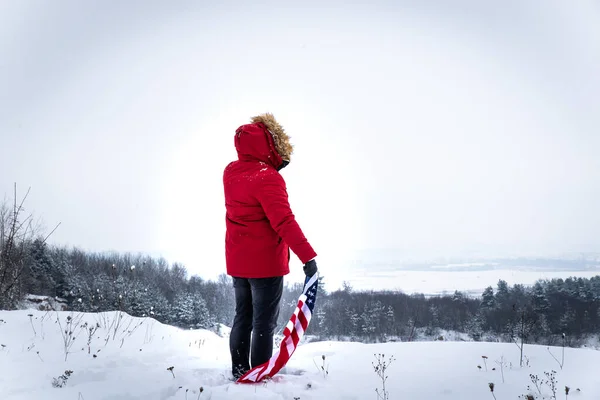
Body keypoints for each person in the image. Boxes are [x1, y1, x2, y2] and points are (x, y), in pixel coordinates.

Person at [223, 113, 318, 380]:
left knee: (243, 316)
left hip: (238, 260)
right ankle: (258, 375)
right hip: (264, 263)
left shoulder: (231, 172)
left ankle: (239, 370)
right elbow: (283, 221)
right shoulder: (267, 177)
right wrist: (307, 256)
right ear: (269, 145)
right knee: (263, 322)